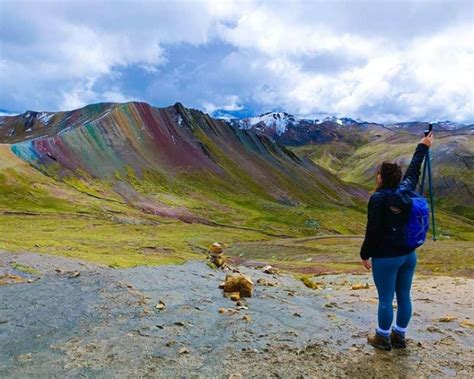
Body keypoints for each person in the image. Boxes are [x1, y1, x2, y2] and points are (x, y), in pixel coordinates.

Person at [360, 131, 434, 350]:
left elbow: (373, 230)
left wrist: (365, 254)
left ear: (381, 177)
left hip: (386, 257)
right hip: (408, 255)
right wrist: (424, 146)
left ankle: (382, 338)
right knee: (404, 295)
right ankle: (399, 336)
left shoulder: (378, 198)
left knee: (385, 298)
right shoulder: (405, 189)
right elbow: (414, 171)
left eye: (378, 174)